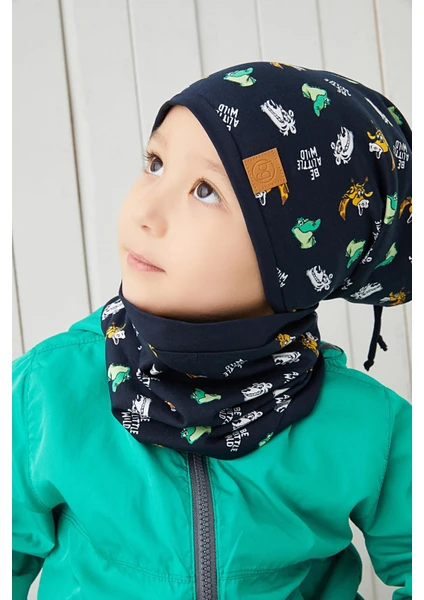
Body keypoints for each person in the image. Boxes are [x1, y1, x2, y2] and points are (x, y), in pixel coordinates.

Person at [12, 61, 412, 599]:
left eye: (205, 191)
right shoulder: (49, 392)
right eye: (155, 164)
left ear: (296, 256)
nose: (146, 211)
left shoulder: (363, 421)